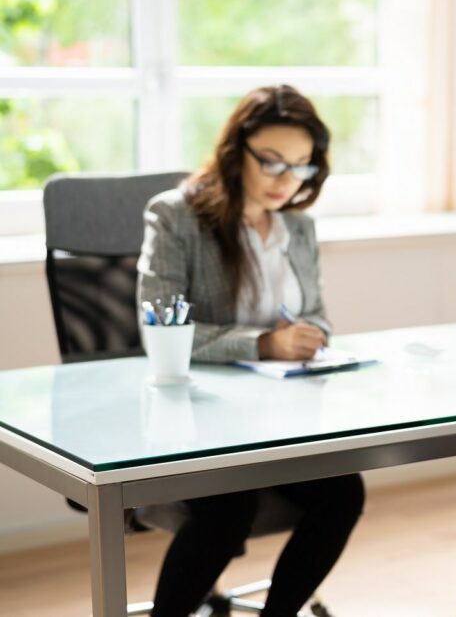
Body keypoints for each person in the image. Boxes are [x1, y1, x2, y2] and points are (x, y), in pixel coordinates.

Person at [137, 84, 364, 617]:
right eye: (273, 163)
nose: (288, 181)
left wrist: (311, 336)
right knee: (228, 504)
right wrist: (264, 343)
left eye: (303, 167)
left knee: (343, 493)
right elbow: (161, 327)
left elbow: (317, 314)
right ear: (235, 150)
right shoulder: (175, 217)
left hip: (278, 422)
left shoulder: (299, 227)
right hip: (198, 422)